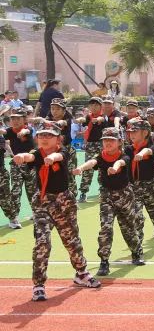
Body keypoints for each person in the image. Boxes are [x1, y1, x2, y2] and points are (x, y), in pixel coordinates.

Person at [15, 120, 101, 301]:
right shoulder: (36, 154)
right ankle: (38, 284)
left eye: (49, 136)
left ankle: (81, 273)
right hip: (42, 203)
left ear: (58, 139)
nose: (44, 139)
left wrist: (51, 158)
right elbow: (30, 157)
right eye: (41, 135)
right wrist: (22, 157)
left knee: (71, 240)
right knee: (42, 242)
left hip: (64, 202)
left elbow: (60, 157)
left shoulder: (64, 150)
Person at [73, 127, 144, 277]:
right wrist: (81, 168)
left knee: (129, 227)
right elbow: (92, 162)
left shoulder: (124, 155)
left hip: (125, 195)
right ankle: (104, 261)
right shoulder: (101, 156)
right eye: (105, 140)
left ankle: (136, 252)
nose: (108, 143)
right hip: (107, 196)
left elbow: (121, 163)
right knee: (106, 227)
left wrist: (115, 168)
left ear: (119, 142)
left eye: (111, 140)